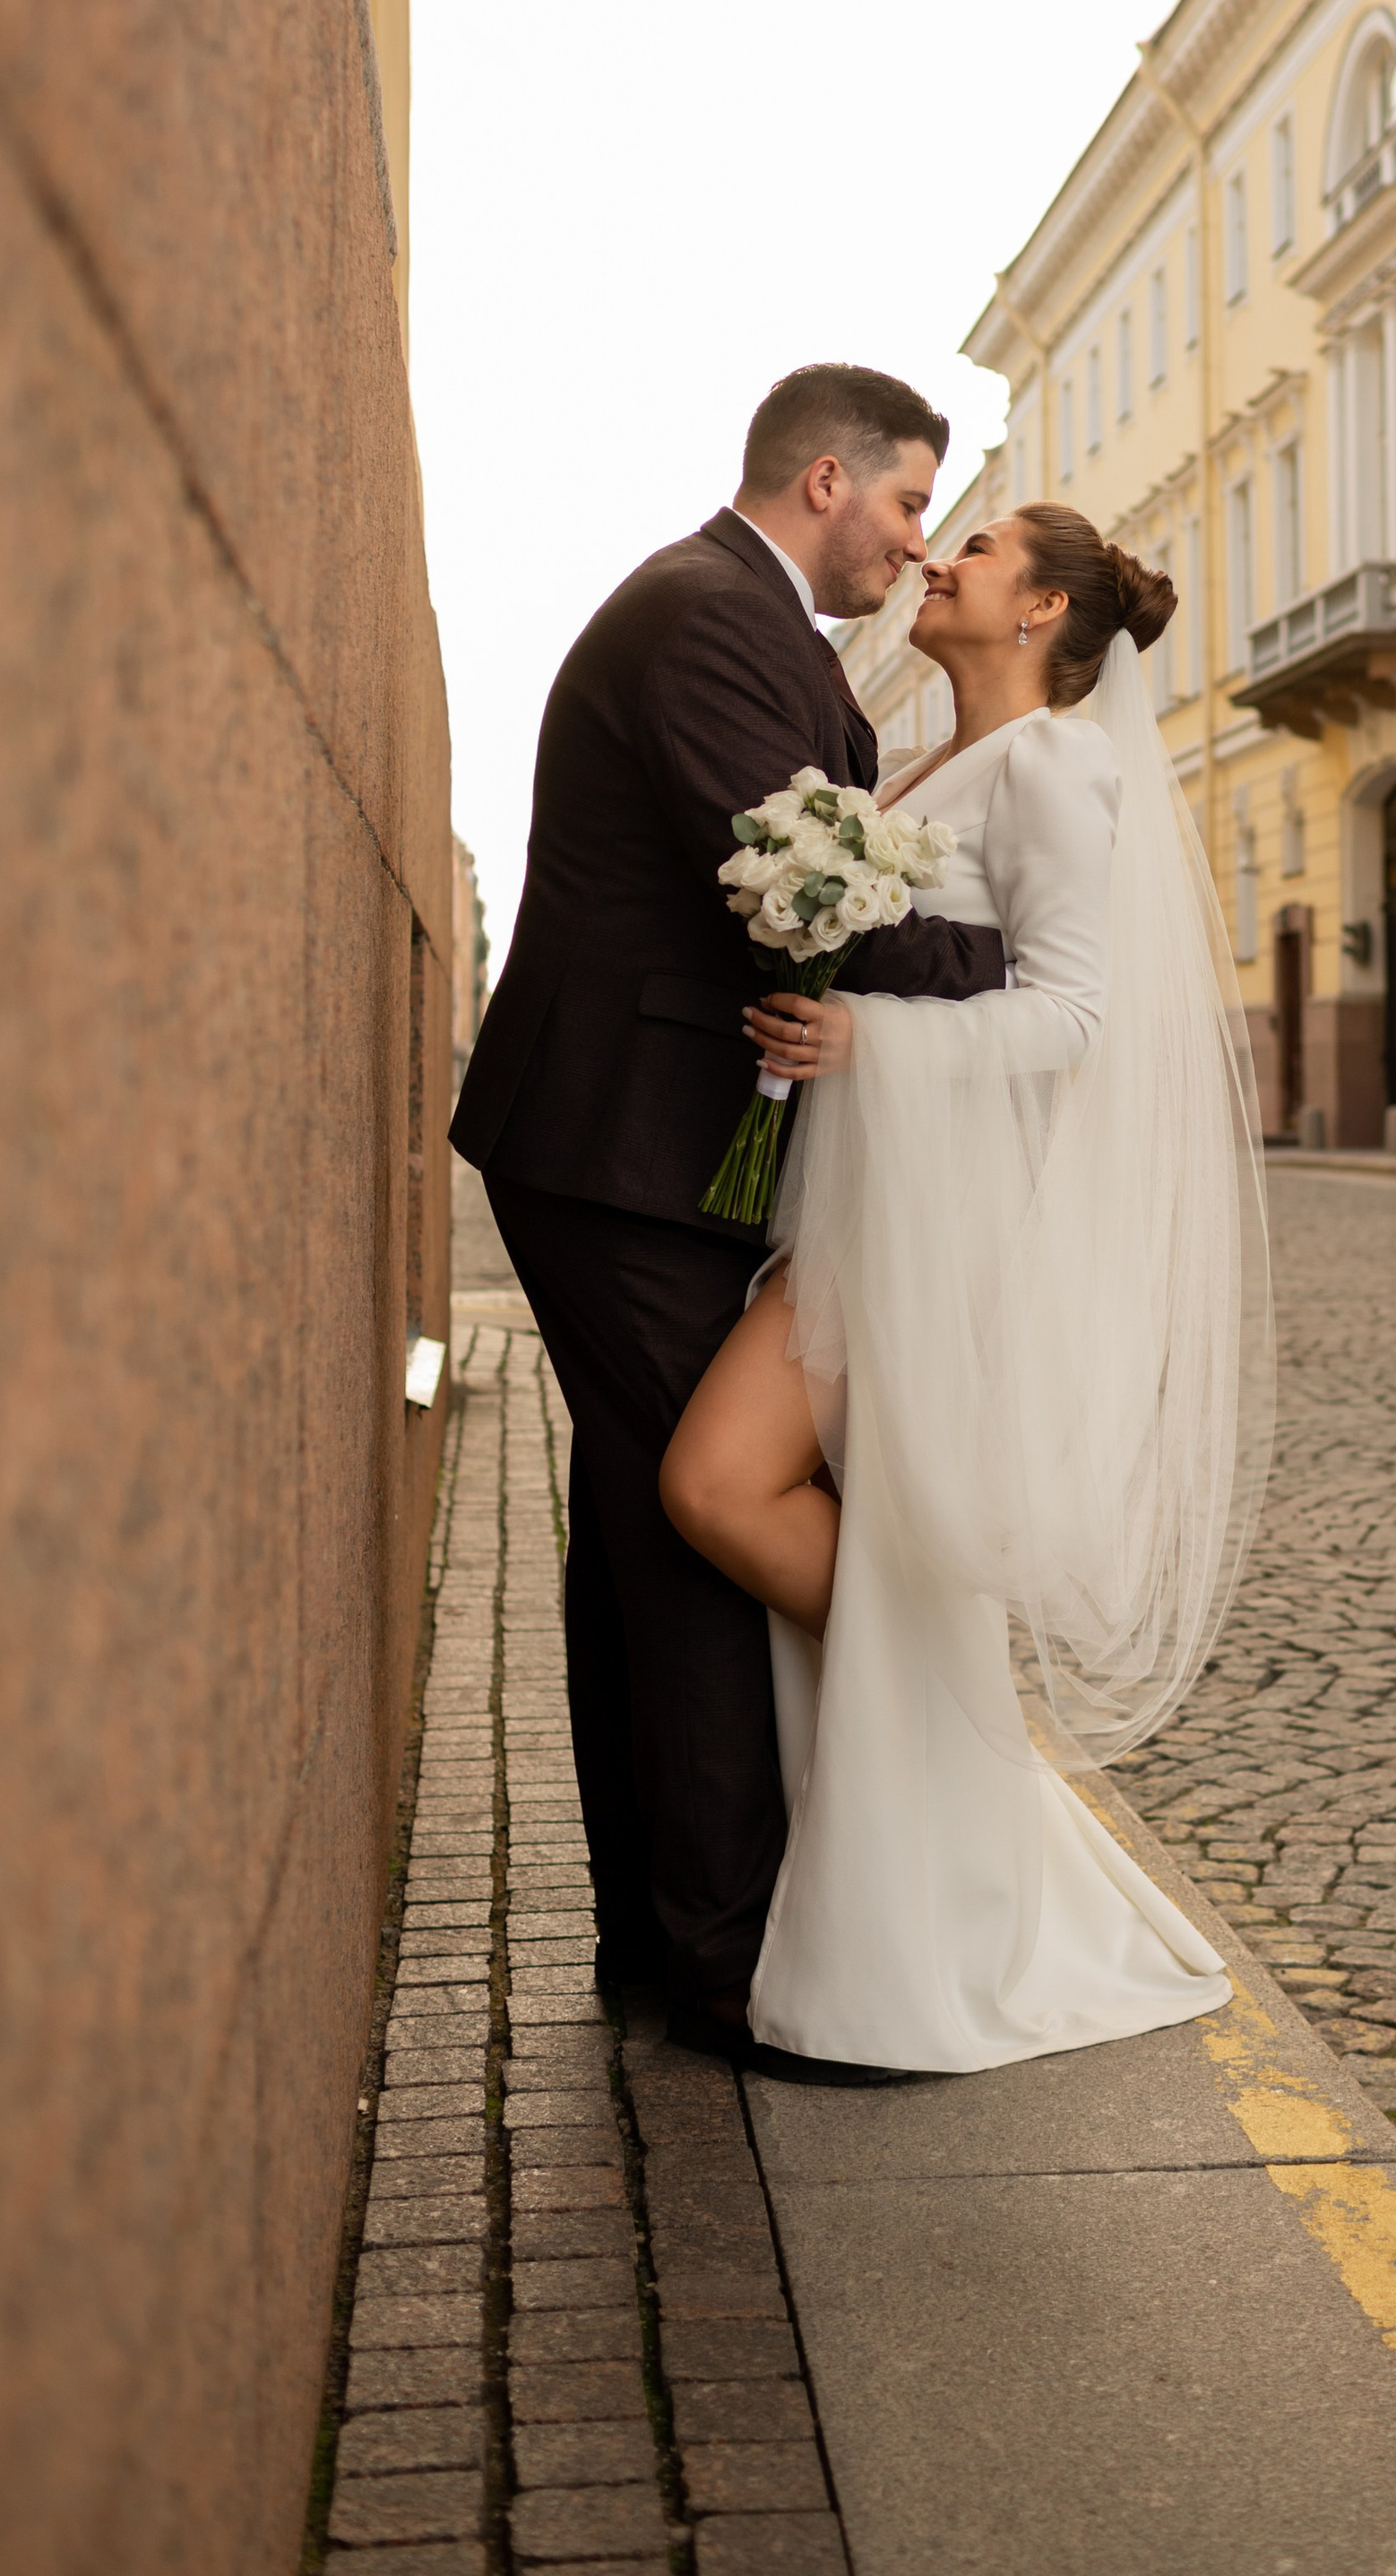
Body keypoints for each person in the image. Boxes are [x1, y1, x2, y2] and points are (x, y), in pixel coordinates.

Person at [659, 505, 1274, 2074]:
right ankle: (941, 1824)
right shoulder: (915, 764)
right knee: (837, 1526)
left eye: (978, 547)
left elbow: (1075, 1015)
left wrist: (875, 1039)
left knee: (717, 1485)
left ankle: (966, 1788)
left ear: (1041, 608)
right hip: (866, 1199)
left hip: (946, 1222)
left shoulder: (1062, 764)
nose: (940, 559)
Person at [450, 368, 1015, 2047]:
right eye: (912, 504)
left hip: (637, 1142)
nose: (918, 548)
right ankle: (722, 1957)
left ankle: (657, 1931)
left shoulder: (752, 627)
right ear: (827, 481)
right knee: (700, 1531)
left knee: (643, 1523)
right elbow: (802, 892)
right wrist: (1020, 971)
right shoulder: (712, 618)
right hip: (623, 1147)